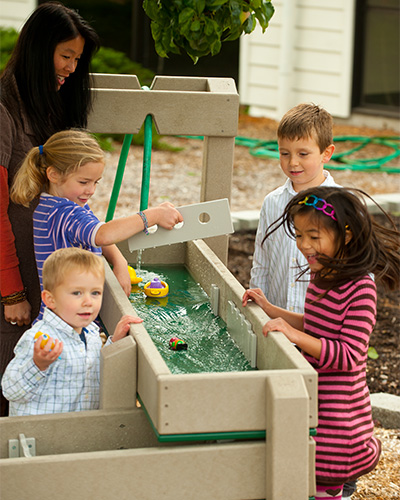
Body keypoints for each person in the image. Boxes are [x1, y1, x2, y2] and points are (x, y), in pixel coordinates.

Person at [243, 186, 400, 500]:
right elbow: (316, 325)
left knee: (320, 475)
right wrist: (273, 311)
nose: (304, 246)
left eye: (314, 237)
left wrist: (295, 336)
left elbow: (348, 355)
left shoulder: (359, 288)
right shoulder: (323, 273)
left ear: (347, 235)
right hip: (317, 399)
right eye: (300, 235)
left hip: (339, 418)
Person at [0, 1, 100, 415]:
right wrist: (11, 292)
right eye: (66, 56)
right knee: (14, 377)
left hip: (45, 268)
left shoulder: (48, 102)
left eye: (77, 59)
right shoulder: (4, 106)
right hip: (13, 271)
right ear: (41, 50)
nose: (72, 68)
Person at [10, 129, 183, 319]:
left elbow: (97, 232)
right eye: (84, 182)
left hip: (66, 317)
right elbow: (103, 234)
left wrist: (120, 262)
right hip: (65, 326)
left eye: (96, 183)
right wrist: (152, 215)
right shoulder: (64, 213)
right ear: (53, 175)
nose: (91, 190)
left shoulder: (62, 205)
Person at [1, 247, 144, 416]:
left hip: (78, 431)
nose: (88, 302)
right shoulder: (38, 338)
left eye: (95, 293)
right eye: (77, 293)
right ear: (50, 299)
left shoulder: (90, 333)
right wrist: (38, 365)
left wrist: (115, 342)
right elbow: (10, 390)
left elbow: (93, 370)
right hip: (42, 435)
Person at [250, 103, 340, 314]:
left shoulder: (343, 204)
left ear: (326, 153)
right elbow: (261, 261)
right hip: (276, 320)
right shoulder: (272, 203)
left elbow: (360, 269)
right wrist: (258, 312)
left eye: (303, 154)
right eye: (285, 153)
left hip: (322, 327)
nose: (293, 163)